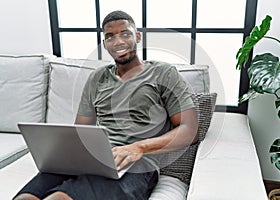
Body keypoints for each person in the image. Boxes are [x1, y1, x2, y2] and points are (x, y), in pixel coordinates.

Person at [14, 10, 198, 200]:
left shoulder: (163, 73)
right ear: (105, 44)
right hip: (91, 160)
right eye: (110, 37)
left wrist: (139, 147)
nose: (118, 41)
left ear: (137, 36)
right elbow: (81, 131)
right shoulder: (97, 78)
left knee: (60, 198)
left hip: (138, 166)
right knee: (26, 198)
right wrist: (60, 154)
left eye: (125, 33)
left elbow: (190, 131)